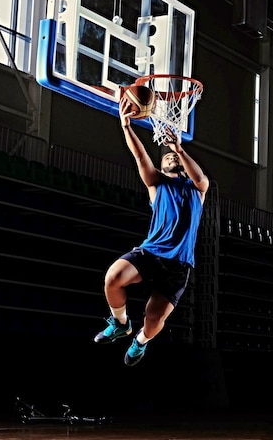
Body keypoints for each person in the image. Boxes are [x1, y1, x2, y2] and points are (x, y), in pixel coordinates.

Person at [93, 94, 209, 366]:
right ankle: (121, 323)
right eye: (166, 156)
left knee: (154, 318)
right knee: (113, 277)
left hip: (178, 264)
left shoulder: (197, 189)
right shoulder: (156, 184)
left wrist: (179, 148)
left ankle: (141, 341)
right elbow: (140, 156)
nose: (169, 157)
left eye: (173, 157)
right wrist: (126, 127)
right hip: (151, 252)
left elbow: (201, 177)